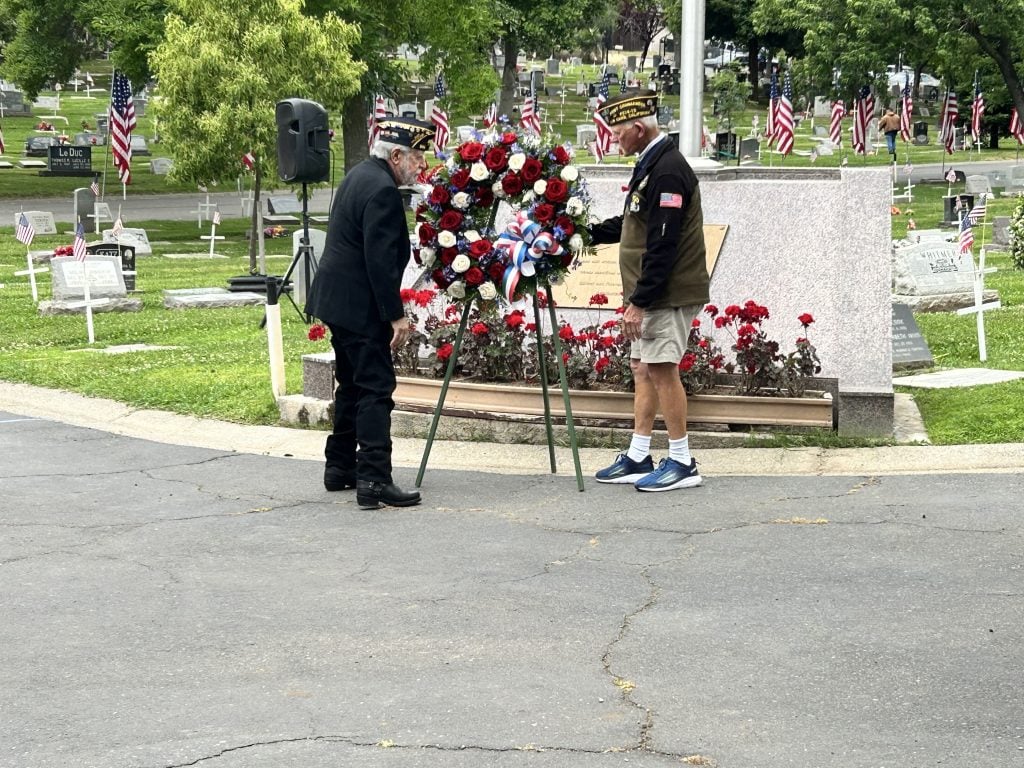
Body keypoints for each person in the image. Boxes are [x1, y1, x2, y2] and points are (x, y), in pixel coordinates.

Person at [304, 117, 434, 510]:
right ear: (396, 155)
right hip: (359, 305)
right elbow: (378, 261)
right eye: (416, 157)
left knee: (352, 385)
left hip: (338, 301)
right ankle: (374, 478)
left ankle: (340, 466)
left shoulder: (360, 175)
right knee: (376, 389)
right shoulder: (382, 191)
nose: (421, 167)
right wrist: (395, 315)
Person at [587, 90, 710, 492]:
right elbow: (630, 224)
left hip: (665, 292)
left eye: (617, 132)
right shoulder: (652, 164)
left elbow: (663, 244)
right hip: (653, 291)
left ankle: (682, 461)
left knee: (661, 369)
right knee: (643, 368)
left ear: (638, 129)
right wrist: (576, 232)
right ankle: (640, 455)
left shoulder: (669, 171)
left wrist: (639, 303)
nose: (612, 140)